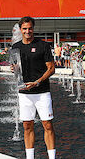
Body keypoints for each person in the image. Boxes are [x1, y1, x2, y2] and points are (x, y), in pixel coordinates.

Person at [11, 16, 56, 159]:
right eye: (24, 28)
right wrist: (14, 69)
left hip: (42, 92)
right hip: (24, 92)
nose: (27, 31)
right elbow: (16, 70)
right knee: (27, 126)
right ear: (20, 29)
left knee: (47, 125)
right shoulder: (15, 47)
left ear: (33, 28)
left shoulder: (43, 45)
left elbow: (51, 69)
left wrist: (37, 82)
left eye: (30, 28)